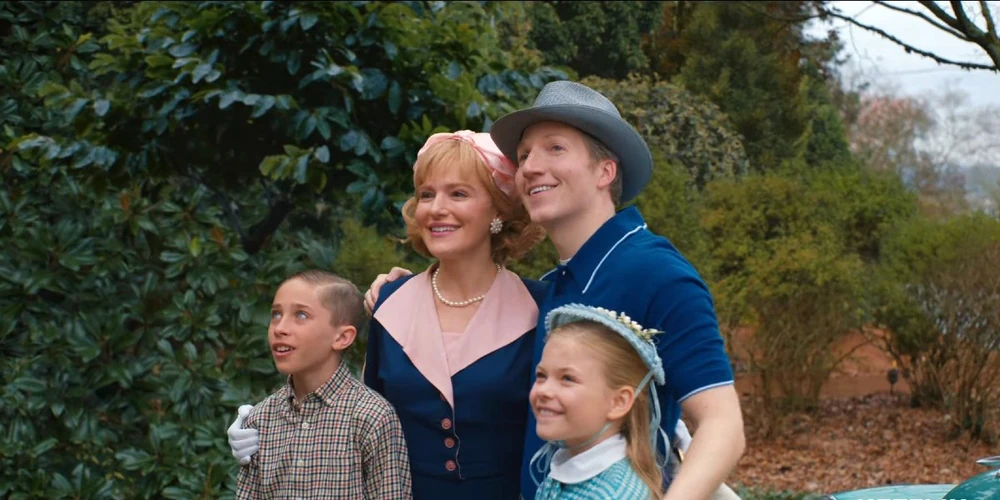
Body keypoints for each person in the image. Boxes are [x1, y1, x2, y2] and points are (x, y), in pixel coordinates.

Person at [361, 80, 746, 500]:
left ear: (605, 171)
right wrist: (406, 294)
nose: (530, 167)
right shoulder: (554, 288)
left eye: (555, 148)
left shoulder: (656, 271)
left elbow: (722, 425)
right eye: (525, 155)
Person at [230, 131, 549, 499]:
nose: (436, 208)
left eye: (458, 194)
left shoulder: (540, 307)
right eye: (426, 194)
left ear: (498, 209)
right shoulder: (390, 302)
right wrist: (267, 428)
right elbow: (356, 413)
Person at [235, 270, 412, 499]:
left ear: (342, 337)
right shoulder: (260, 420)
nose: (279, 328)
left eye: (301, 315)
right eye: (276, 314)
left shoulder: (372, 417)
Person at [530, 303, 670, 499]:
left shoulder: (612, 494)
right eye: (541, 375)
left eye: (567, 378)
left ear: (619, 402)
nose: (544, 390)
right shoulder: (579, 467)